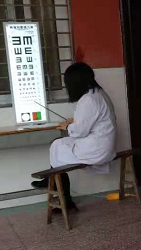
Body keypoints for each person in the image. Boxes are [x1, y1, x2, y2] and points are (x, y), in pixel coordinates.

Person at [32, 62, 117, 210]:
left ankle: (57, 187)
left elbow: (80, 132)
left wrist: (67, 126)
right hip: (104, 144)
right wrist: (74, 122)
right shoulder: (99, 93)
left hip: (96, 148)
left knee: (57, 146)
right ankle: (60, 191)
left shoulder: (88, 99)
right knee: (59, 144)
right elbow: (93, 121)